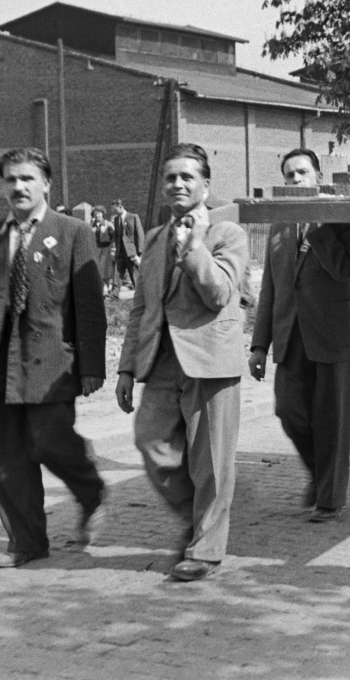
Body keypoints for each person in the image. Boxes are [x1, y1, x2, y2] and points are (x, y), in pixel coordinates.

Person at [0, 147, 107, 569]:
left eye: (27, 179)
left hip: (50, 364)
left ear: (46, 184)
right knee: (6, 456)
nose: (18, 187)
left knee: (48, 441)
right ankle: (27, 542)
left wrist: (92, 365)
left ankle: (89, 489)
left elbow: (90, 307)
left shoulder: (72, 231)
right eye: (10, 180)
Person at [115, 143, 249, 582]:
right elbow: (141, 309)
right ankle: (202, 519)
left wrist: (193, 246)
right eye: (170, 177)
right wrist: (126, 369)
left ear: (205, 186)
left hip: (210, 358)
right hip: (162, 360)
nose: (177, 184)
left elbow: (219, 294)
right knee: (152, 442)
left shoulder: (228, 235)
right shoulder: (153, 240)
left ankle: (207, 550)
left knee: (210, 461)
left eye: (187, 177)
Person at [249, 149, 350, 522]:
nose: (295, 181)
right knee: (288, 409)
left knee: (331, 418)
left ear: (318, 176)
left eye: (302, 173)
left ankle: (330, 499)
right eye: (289, 176)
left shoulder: (343, 217)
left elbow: (345, 269)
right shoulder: (280, 224)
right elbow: (270, 286)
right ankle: (320, 474)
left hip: (332, 333)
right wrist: (259, 345)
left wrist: (318, 226)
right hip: (290, 335)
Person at [111, 199, 144, 296]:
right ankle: (114, 293)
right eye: (114, 211)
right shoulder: (116, 220)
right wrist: (115, 248)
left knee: (133, 272)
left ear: (121, 206)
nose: (115, 212)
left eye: (116, 210)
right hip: (120, 251)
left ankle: (140, 294)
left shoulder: (133, 217)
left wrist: (140, 252)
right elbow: (117, 236)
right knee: (117, 271)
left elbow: (140, 234)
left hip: (131, 251)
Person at [90, 207, 115, 296]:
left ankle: (106, 288)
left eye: (99, 213)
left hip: (105, 248)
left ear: (103, 214)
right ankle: (100, 288)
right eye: (95, 214)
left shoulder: (108, 224)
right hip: (95, 249)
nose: (97, 215)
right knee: (97, 267)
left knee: (105, 268)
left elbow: (113, 235)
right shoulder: (91, 225)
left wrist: (110, 245)